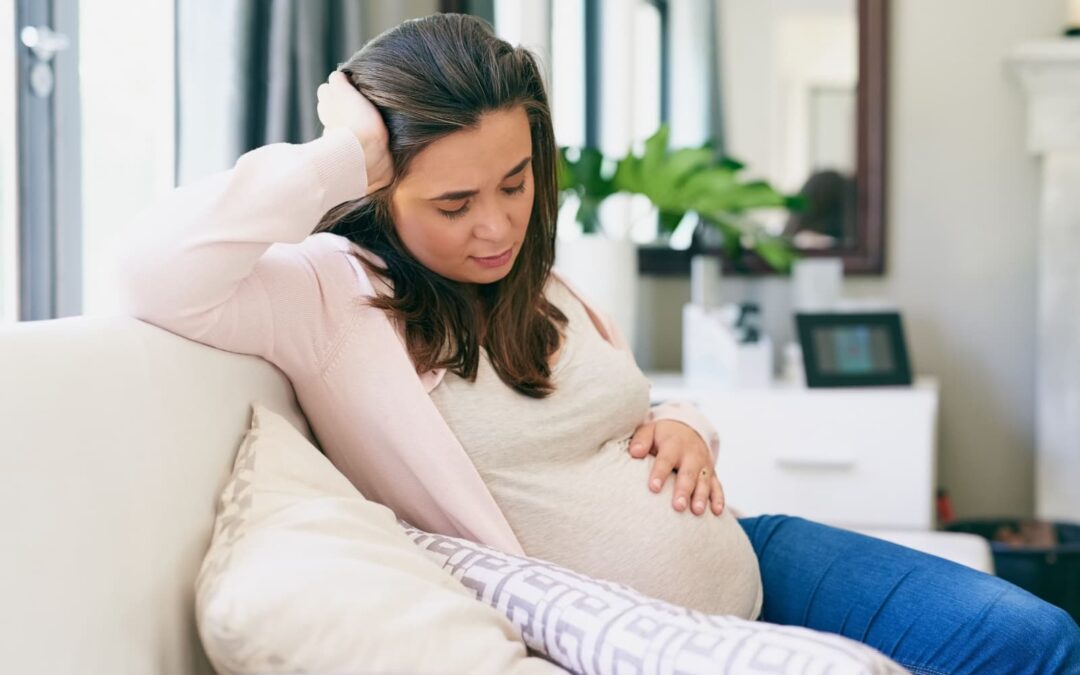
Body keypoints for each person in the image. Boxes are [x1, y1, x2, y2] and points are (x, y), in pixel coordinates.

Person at [117, 13, 1080, 674]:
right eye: (454, 202)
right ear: (380, 189)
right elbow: (152, 270)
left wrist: (686, 424)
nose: (497, 225)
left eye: (515, 182)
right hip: (662, 633)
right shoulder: (335, 297)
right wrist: (345, 151)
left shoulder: (540, 279)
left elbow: (625, 410)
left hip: (757, 554)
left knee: (1033, 636)